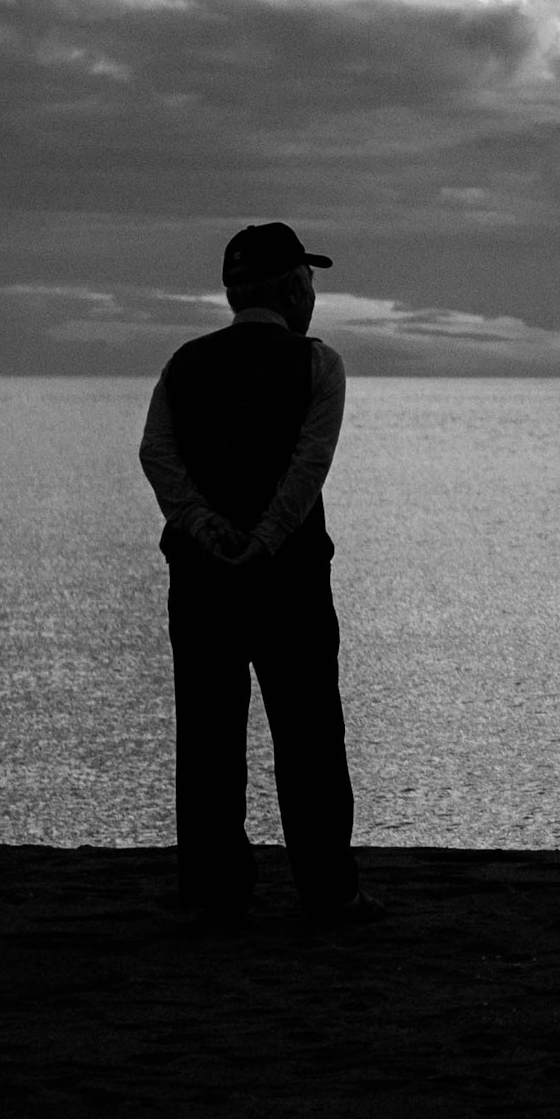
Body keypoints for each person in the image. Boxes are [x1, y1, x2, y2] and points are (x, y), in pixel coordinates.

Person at [138, 221, 377, 924]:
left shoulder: (184, 364)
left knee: (209, 740)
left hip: (201, 578)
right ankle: (328, 890)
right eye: (308, 280)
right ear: (291, 286)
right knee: (308, 739)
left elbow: (158, 455)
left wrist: (208, 530)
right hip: (289, 577)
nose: (312, 293)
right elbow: (309, 464)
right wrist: (265, 540)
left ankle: (215, 894)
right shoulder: (316, 364)